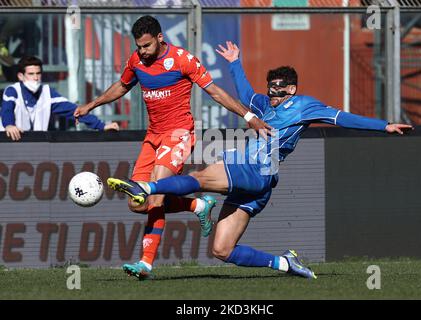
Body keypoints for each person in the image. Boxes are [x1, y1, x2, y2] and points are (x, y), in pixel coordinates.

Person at [107, 41, 413, 280]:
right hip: (259, 182)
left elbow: (342, 118)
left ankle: (148, 187)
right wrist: (235, 63)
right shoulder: (265, 104)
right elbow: (246, 95)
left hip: (256, 169)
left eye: (279, 89)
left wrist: (383, 125)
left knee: (200, 178)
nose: (273, 94)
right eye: (272, 89)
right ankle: (285, 263)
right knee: (221, 250)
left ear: (292, 89)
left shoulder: (305, 106)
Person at [73, 17, 272, 280]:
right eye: (138, 47)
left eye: (146, 46)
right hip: (152, 137)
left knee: (154, 197)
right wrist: (91, 105)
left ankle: (145, 264)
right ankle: (198, 206)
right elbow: (122, 86)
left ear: (159, 38)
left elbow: (215, 92)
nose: (142, 52)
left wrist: (250, 119)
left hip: (178, 134)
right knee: (137, 203)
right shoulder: (136, 61)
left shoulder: (182, 60)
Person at [0, 56, 119, 141]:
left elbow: (74, 111)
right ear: (21, 76)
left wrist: (101, 126)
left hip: (34, 145)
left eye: (38, 73)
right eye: (31, 74)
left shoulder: (47, 93)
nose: (36, 78)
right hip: (9, 142)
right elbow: (7, 110)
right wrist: (9, 125)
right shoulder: (12, 91)